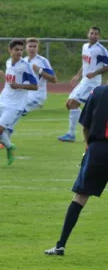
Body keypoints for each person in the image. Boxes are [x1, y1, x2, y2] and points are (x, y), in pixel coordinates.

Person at [45, 85, 108, 255]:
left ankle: (60, 245)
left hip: (99, 150)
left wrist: (89, 145)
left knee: (80, 196)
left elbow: (86, 124)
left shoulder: (99, 92)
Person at [0, 37, 56, 148]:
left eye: (35, 46)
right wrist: (4, 76)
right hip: (24, 95)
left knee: (15, 111)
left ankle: (1, 139)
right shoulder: (22, 61)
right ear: (26, 48)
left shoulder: (42, 61)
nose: (32, 49)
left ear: (38, 48)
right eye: (30, 46)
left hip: (36, 96)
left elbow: (54, 79)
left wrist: (40, 70)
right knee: (12, 111)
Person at [58, 26, 108, 143]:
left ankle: (71, 134)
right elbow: (85, 63)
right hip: (84, 81)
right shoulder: (85, 46)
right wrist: (78, 75)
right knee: (68, 104)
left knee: (73, 103)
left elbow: (107, 66)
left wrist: (94, 73)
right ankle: (88, 123)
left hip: (92, 82)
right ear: (88, 34)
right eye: (91, 33)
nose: (93, 35)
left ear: (98, 36)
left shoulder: (101, 50)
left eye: (96, 34)